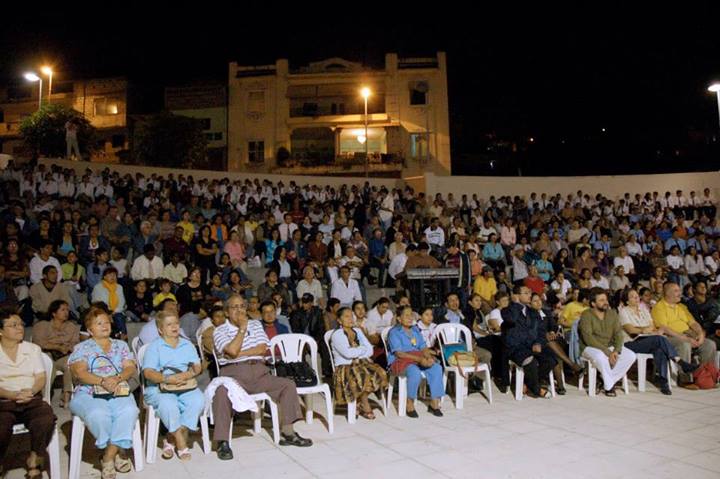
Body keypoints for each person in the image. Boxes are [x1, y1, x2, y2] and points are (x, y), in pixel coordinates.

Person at [211, 295, 311, 460]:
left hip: (259, 372)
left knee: (287, 385)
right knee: (221, 393)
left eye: (242, 306)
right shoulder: (219, 331)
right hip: (234, 375)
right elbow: (231, 351)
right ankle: (222, 441)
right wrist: (242, 330)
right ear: (227, 312)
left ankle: (288, 432)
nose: (239, 311)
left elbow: (262, 349)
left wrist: (238, 353)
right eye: (234, 307)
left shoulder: (256, 325)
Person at [68, 306, 139, 479]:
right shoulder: (82, 348)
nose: (105, 326)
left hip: (117, 389)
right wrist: (102, 381)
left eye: (107, 322)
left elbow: (130, 367)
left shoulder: (120, 345)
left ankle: (108, 457)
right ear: (89, 330)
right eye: (99, 323)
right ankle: (117, 452)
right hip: (89, 391)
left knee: (129, 410)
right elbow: (80, 373)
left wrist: (116, 378)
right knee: (99, 414)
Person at [141, 311, 204, 461]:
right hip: (160, 387)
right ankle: (181, 443)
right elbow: (148, 372)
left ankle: (171, 439)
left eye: (176, 323)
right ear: (160, 329)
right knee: (168, 404)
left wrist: (187, 375)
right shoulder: (154, 347)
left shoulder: (187, 344)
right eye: (169, 324)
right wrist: (167, 379)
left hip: (184, 385)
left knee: (198, 400)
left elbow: (197, 366)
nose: (174, 327)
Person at [0, 311, 57, 479]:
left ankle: (35, 459)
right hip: (4, 401)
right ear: (1, 331)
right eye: (13, 325)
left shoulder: (32, 349)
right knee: (1, 426)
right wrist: (11, 395)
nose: (20, 328)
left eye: (21, 324)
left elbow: (40, 377)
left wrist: (31, 391)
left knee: (45, 418)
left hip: (30, 398)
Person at [618, 288, 697, 393]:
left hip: (647, 340)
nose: (636, 298)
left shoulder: (644, 311)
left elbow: (652, 327)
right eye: (632, 297)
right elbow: (630, 329)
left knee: (659, 348)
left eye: (637, 295)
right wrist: (644, 330)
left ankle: (663, 382)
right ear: (627, 301)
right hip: (631, 343)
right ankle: (680, 362)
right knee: (659, 339)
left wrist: (645, 330)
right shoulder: (624, 311)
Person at [387, 305, 445, 418]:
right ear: (399, 318)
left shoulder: (415, 329)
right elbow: (399, 353)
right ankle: (410, 402)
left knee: (436, 368)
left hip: (418, 358)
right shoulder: (394, 332)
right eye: (406, 315)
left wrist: (428, 357)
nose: (410, 318)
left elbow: (423, 347)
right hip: (401, 360)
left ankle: (434, 403)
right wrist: (420, 359)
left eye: (411, 315)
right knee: (414, 372)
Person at [330, 307, 388, 419]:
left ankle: (359, 401)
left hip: (361, 363)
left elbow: (370, 350)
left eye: (351, 316)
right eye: (346, 316)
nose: (350, 319)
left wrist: (358, 352)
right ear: (339, 320)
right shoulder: (337, 334)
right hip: (344, 367)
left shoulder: (357, 331)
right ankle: (365, 404)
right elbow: (348, 354)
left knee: (380, 373)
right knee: (362, 375)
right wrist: (362, 349)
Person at [579, 288, 637, 396]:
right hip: (589, 347)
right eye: (601, 300)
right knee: (600, 356)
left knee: (631, 355)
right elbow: (588, 338)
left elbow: (618, 334)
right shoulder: (586, 315)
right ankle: (609, 387)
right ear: (593, 303)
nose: (605, 302)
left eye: (606, 300)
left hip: (609, 346)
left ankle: (605, 380)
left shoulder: (612, 313)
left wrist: (616, 350)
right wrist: (608, 352)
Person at [502, 286, 558, 398]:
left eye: (529, 293)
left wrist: (538, 343)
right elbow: (511, 319)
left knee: (551, 359)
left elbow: (541, 332)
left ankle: (528, 383)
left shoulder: (533, 312)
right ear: (517, 295)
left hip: (531, 345)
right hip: (515, 347)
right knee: (530, 360)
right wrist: (516, 304)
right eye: (526, 293)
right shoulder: (507, 310)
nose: (529, 295)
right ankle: (537, 389)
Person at [651, 282, 718, 368]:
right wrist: (685, 338)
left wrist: (700, 334)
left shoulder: (681, 307)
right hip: (670, 337)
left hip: (688, 335)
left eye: (680, 290)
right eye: (676, 291)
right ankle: (684, 375)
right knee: (684, 344)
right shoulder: (659, 307)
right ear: (668, 293)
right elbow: (664, 328)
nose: (680, 293)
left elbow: (693, 323)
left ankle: (706, 373)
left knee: (709, 344)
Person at [31, 300, 80, 407]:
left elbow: (75, 343)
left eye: (67, 310)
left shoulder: (71, 326)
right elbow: (39, 343)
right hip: (46, 355)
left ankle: (66, 396)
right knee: (49, 364)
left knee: (69, 364)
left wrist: (66, 348)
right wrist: (57, 346)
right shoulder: (42, 325)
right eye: (63, 310)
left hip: (62, 355)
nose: (66, 312)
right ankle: (44, 396)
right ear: (54, 313)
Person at [91, 268, 128, 339]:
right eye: (110, 275)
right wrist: (108, 312)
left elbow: (122, 303)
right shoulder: (98, 287)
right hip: (102, 311)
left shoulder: (119, 287)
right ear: (104, 277)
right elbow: (96, 302)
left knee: (119, 317)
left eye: (114, 275)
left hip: (116, 312)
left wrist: (113, 312)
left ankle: (123, 338)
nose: (113, 277)